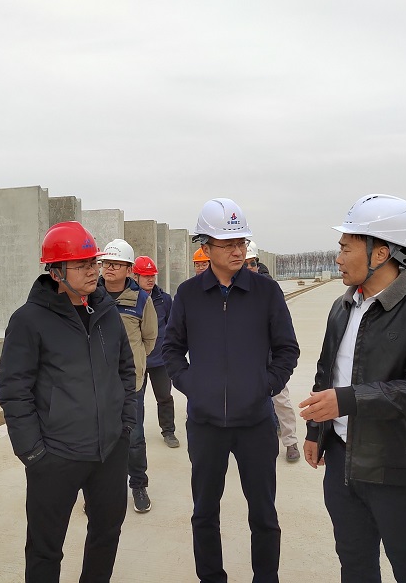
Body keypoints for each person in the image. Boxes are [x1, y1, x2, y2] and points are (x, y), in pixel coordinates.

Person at [299, 194, 406, 583]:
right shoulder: (342, 307)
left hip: (397, 470)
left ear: (381, 253)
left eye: (346, 248)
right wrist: (316, 431)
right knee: (354, 565)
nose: (338, 257)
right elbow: (327, 372)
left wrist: (348, 400)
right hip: (342, 463)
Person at [163, 198, 299, 583]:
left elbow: (287, 349)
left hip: (256, 423)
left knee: (264, 515)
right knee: (205, 513)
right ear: (206, 246)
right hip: (205, 425)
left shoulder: (266, 292)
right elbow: (171, 349)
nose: (238, 250)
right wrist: (193, 386)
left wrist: (264, 386)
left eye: (241, 242)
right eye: (228, 244)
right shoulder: (189, 294)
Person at [0, 221, 136, 583]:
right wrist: (33, 453)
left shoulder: (106, 312)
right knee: (45, 548)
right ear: (56, 272)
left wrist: (125, 425)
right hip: (56, 455)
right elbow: (14, 390)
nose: (93, 271)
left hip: (109, 450)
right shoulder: (29, 320)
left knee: (107, 533)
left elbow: (125, 370)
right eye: (81, 264)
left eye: (93, 262)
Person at [99, 239, 158, 513]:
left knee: (134, 435)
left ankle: (138, 485)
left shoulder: (141, 300)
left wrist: (136, 362)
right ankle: (100, 489)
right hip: (98, 381)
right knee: (100, 436)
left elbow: (149, 338)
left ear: (129, 269)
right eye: (106, 263)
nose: (109, 268)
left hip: (130, 382)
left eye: (116, 264)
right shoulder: (90, 296)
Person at [244, 241, 300, 463]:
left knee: (281, 400)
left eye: (253, 263)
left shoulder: (269, 289)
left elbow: (283, 331)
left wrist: (279, 364)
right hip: (246, 360)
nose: (250, 268)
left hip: (269, 359)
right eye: (246, 264)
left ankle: (291, 442)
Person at [132, 256, 178, 448]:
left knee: (164, 397)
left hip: (160, 360)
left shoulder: (164, 299)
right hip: (138, 360)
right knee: (136, 400)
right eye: (146, 276)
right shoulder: (130, 298)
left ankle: (169, 432)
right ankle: (136, 435)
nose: (150, 279)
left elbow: (172, 326)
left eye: (152, 275)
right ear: (135, 277)